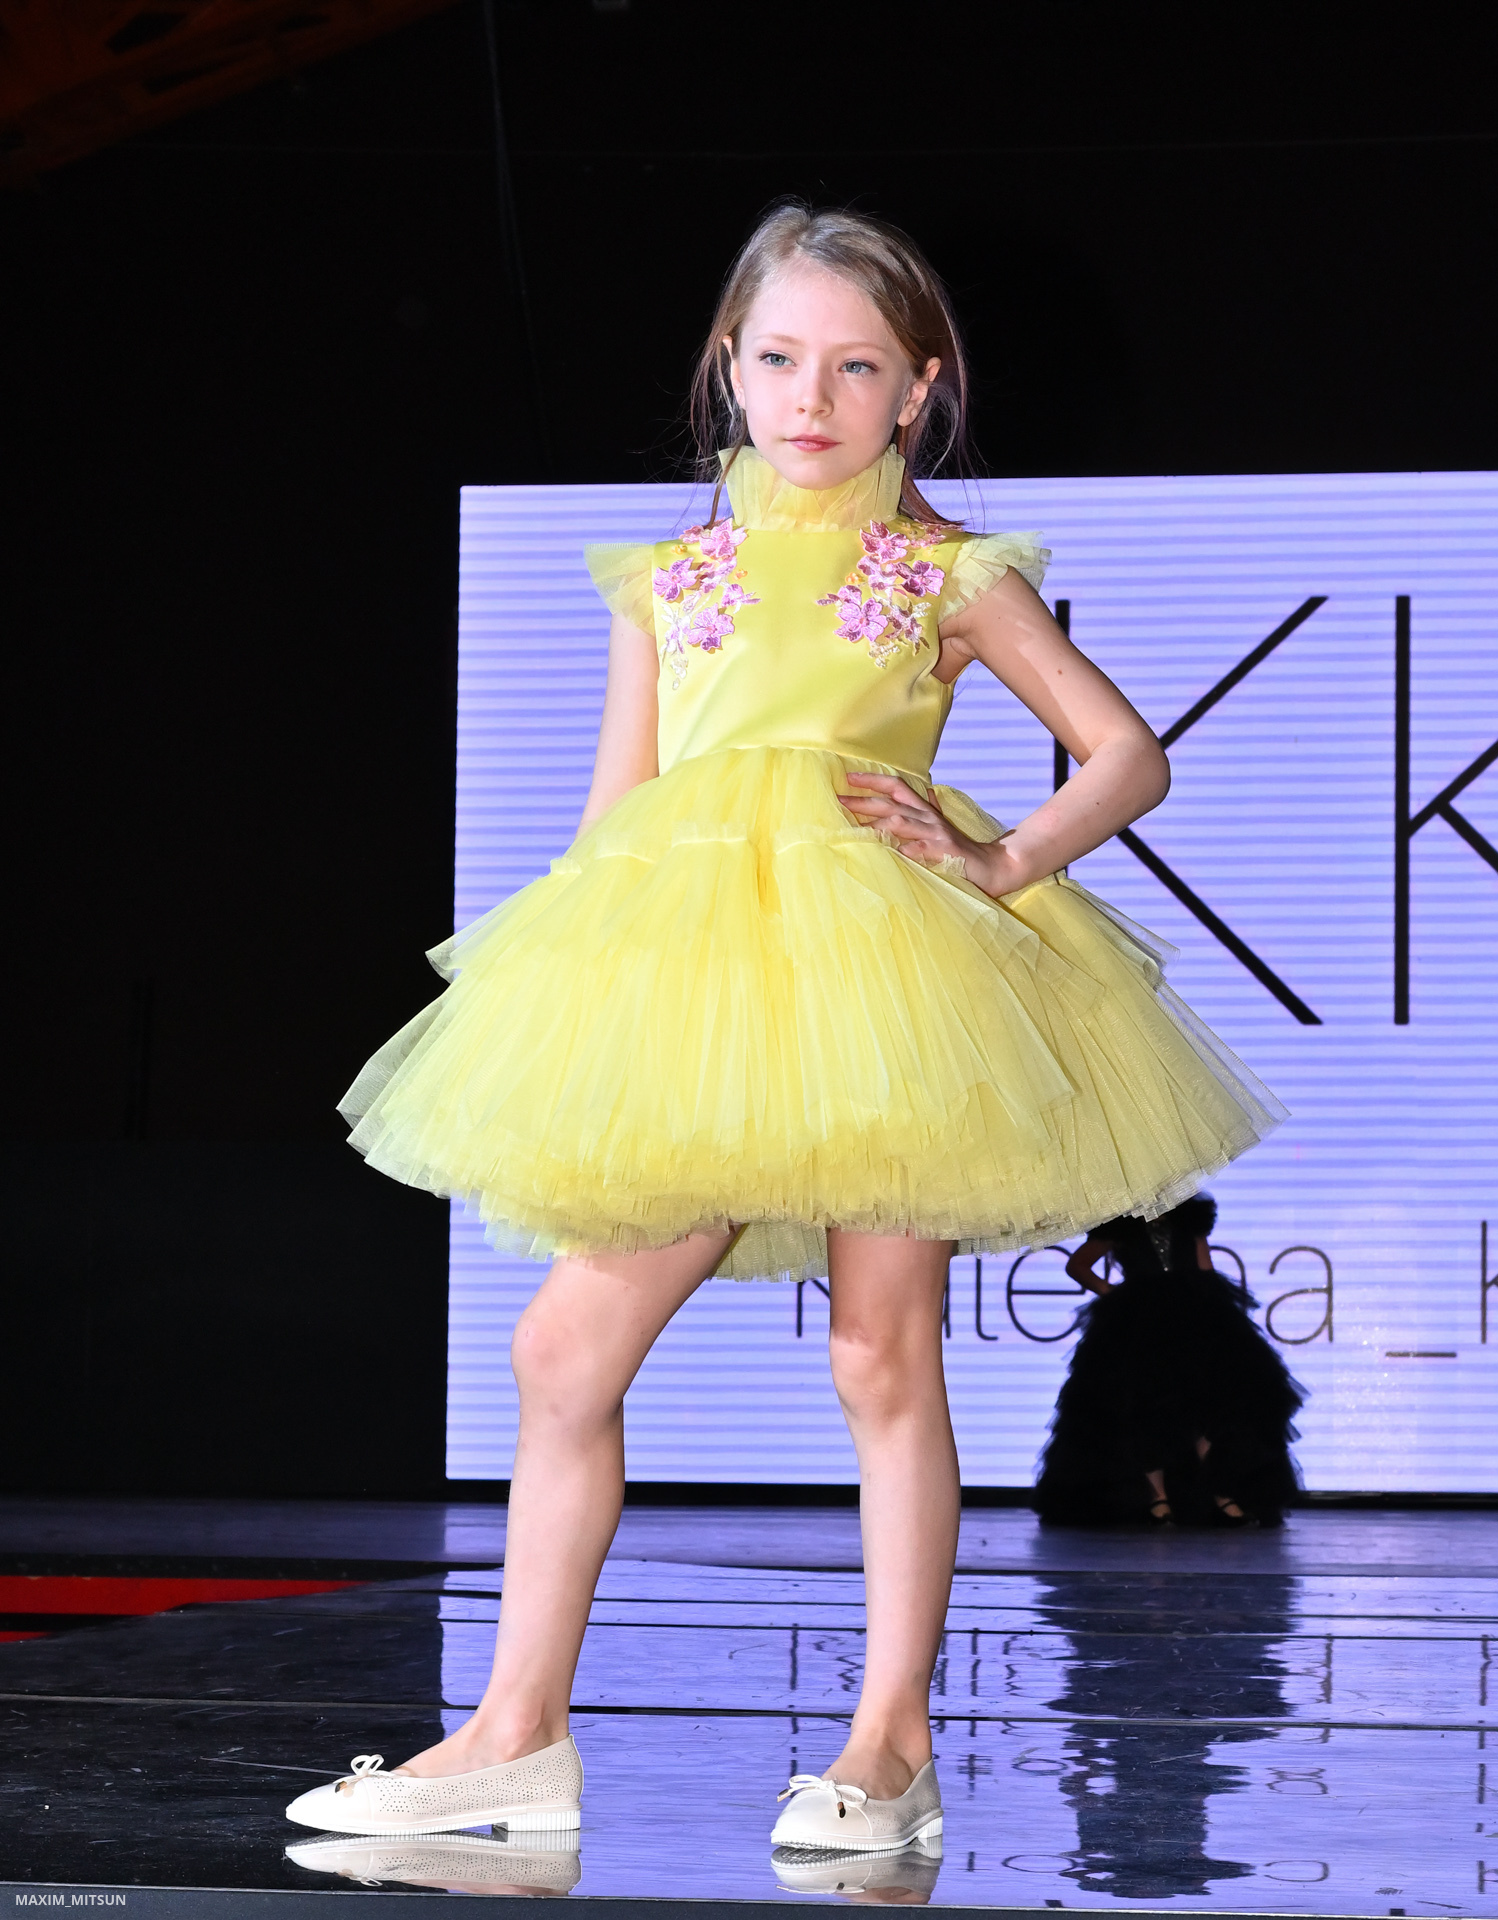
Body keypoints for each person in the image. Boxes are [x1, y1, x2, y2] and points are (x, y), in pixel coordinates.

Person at [285, 202, 1285, 1854]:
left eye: (857, 367)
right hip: (698, 993)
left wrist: (999, 861)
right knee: (561, 1350)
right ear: (728, 368)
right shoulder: (668, 581)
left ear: (919, 388)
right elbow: (618, 815)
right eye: (779, 359)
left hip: (883, 983)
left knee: (880, 1351)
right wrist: (578, 1003)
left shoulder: (942, 574)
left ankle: (888, 1747)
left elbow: (1125, 753)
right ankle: (515, 1738)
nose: (812, 397)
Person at [1032, 1195, 1304, 1529]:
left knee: (1213, 1407)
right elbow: (1077, 1265)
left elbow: (1205, 1268)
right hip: (1141, 1326)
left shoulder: (1190, 1216)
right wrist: (1114, 1295)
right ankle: (1158, 1498)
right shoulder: (1119, 1223)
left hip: (1195, 1319)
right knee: (1145, 1409)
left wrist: (1219, 1315)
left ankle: (1219, 1492)